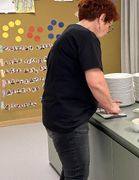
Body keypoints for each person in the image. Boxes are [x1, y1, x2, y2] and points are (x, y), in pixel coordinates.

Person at [42, 0, 120, 179]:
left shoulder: (70, 33)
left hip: (56, 114)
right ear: (101, 18)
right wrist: (111, 106)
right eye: (109, 25)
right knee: (77, 174)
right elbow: (96, 82)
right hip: (68, 120)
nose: (108, 30)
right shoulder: (86, 37)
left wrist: (103, 102)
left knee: (70, 171)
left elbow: (72, 80)